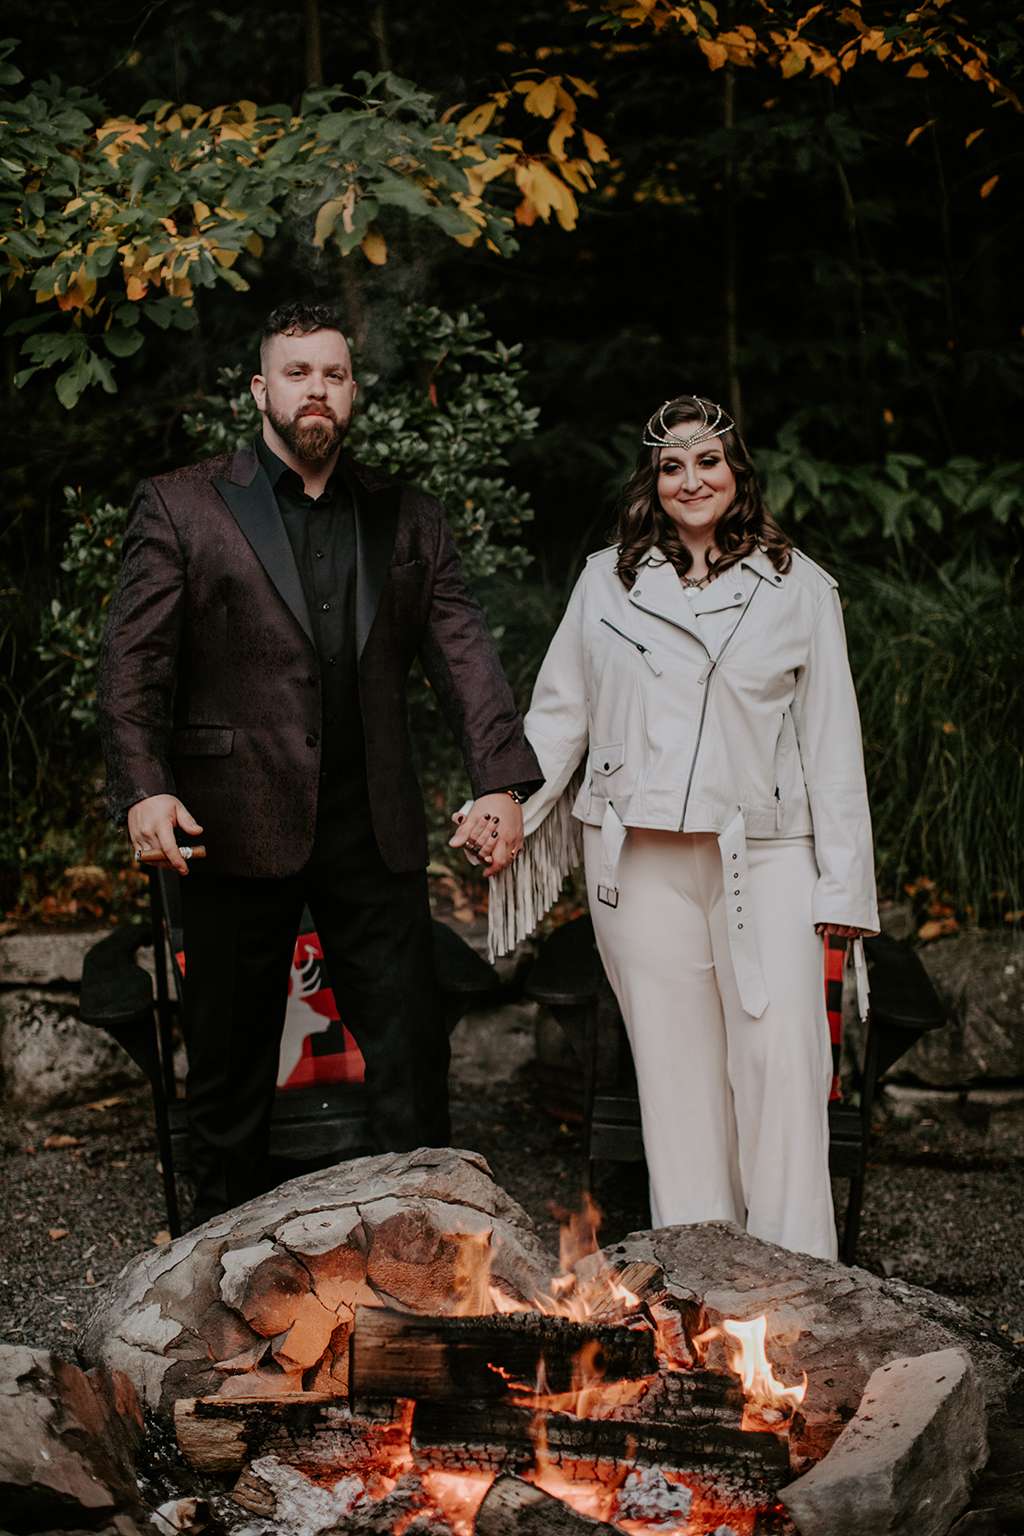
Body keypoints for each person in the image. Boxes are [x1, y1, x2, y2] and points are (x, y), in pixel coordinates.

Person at [98, 300, 540, 1226]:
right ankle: (216, 1262)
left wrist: (500, 782)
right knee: (227, 1071)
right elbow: (133, 667)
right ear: (260, 389)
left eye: (334, 374)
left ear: (352, 392)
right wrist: (144, 790)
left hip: (371, 828)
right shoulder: (182, 504)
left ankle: (427, 1248)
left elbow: (465, 658)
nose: (317, 390)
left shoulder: (407, 518)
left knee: (412, 1060)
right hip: (227, 824)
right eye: (298, 373)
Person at [487, 394, 878, 1261]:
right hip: (637, 861)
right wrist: (506, 802)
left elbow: (833, 743)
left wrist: (845, 886)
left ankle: (801, 1283)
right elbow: (558, 718)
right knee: (675, 1081)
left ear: (737, 472)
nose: (691, 480)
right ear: (652, 482)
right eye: (672, 466)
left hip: (767, 857)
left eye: (708, 461)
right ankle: (702, 1290)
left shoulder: (800, 588)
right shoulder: (607, 581)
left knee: (781, 1070)